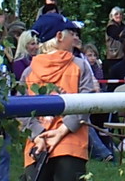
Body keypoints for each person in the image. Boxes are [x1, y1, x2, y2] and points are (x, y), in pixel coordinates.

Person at [20, 13, 97, 180]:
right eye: (71, 33)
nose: (74, 37)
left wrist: (38, 134)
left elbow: (21, 111)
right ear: (60, 36)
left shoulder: (28, 72)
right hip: (72, 144)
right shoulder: (80, 66)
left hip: (37, 145)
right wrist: (62, 131)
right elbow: (87, 103)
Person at [103, 7, 125, 77]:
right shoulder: (111, 27)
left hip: (122, 55)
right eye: (116, 14)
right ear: (112, 16)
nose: (119, 16)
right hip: (113, 56)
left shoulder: (123, 25)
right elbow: (119, 36)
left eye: (120, 14)